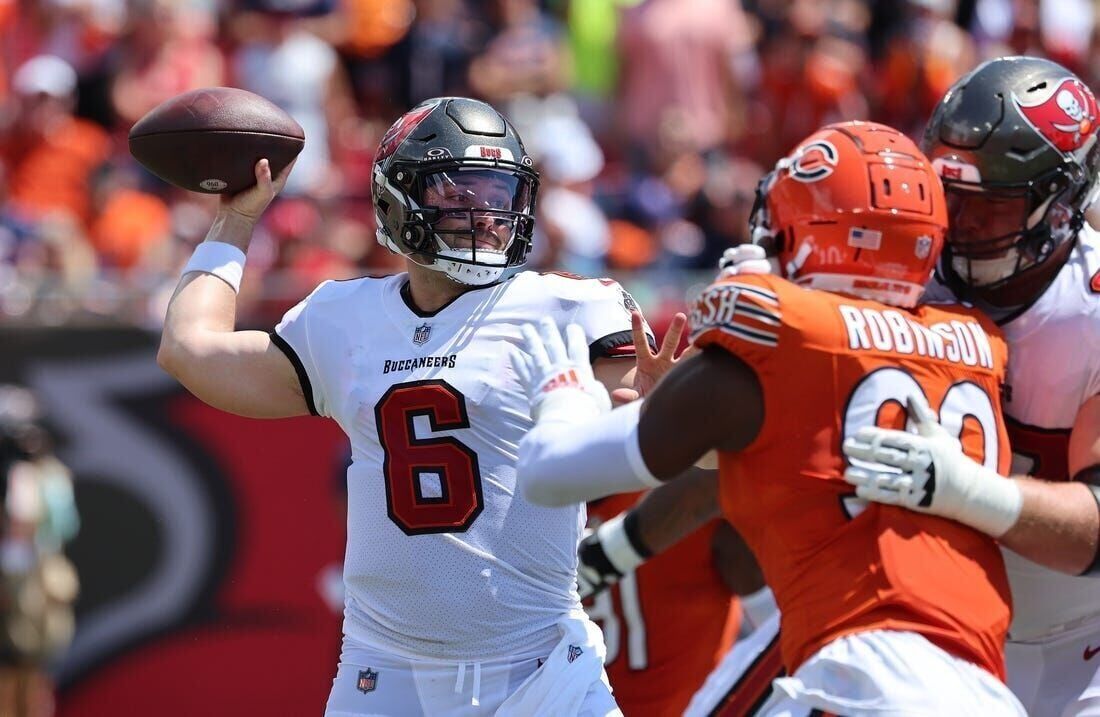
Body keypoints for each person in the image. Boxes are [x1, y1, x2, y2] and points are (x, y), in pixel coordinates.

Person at [510, 120, 1027, 715]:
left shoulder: (778, 341)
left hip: (859, 679)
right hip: (986, 684)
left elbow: (548, 472)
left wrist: (562, 390)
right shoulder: (972, 337)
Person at [157, 96, 652, 716]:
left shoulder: (569, 307)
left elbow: (698, 454)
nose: (487, 213)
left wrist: (677, 412)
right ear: (398, 197)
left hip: (540, 668)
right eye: (459, 190)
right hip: (384, 674)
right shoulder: (344, 318)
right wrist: (235, 220)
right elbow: (188, 350)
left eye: (500, 192)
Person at [840, 56, 1100, 716]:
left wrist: (967, 491)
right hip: (941, 633)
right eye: (945, 195)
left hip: (1088, 639)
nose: (956, 224)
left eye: (988, 207)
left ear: (1063, 204)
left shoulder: (1091, 309)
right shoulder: (898, 272)